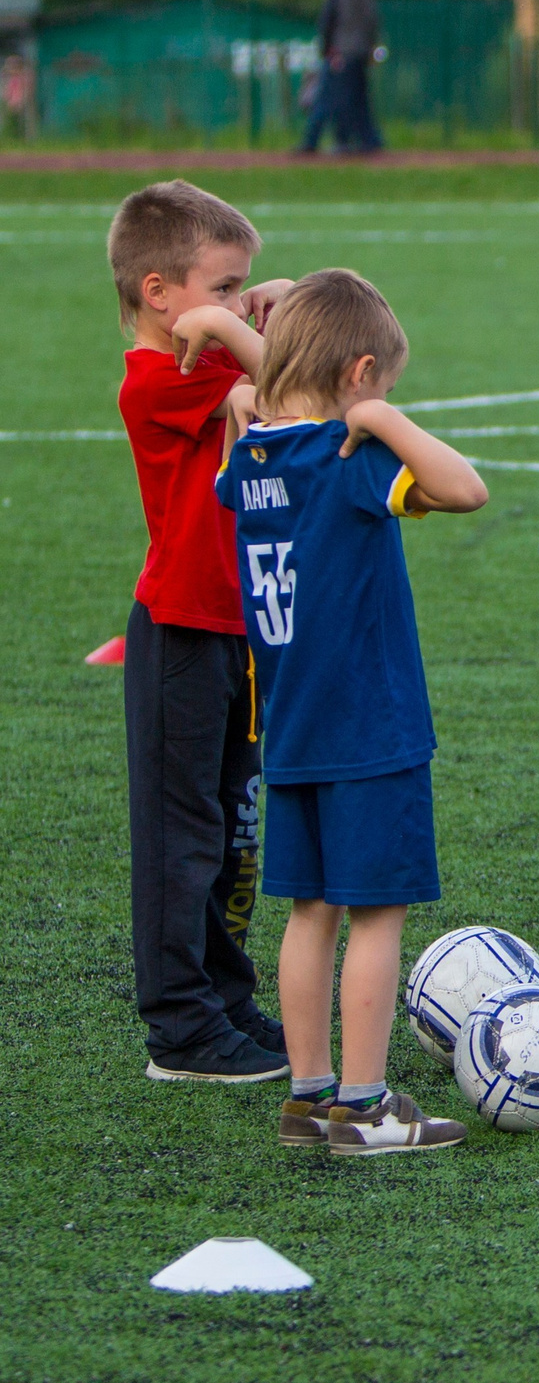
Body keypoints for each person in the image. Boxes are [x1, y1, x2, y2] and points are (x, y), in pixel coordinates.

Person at [207, 269, 490, 1153]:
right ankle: (364, 1106)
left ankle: (307, 1097)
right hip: (371, 727)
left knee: (309, 912)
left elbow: (263, 406)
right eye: (385, 385)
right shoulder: (354, 456)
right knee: (375, 914)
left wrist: (250, 380)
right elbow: (465, 487)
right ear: (361, 373)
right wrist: (383, 422)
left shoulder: (249, 453)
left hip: (289, 726)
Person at [112, 181, 295, 1084]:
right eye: (224, 286)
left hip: (242, 627)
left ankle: (225, 998)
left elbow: (298, 375)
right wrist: (239, 329)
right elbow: (288, 386)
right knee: (181, 834)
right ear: (159, 294)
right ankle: (179, 1026)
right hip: (180, 632)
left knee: (234, 832)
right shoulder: (158, 380)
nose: (236, 303)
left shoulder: (218, 364)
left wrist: (269, 306)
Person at [295, 0, 382, 156]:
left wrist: (367, 46)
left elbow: (367, 17)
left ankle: (322, 141)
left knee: (334, 96)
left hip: (349, 50)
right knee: (356, 97)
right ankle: (370, 141)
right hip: (346, 49)